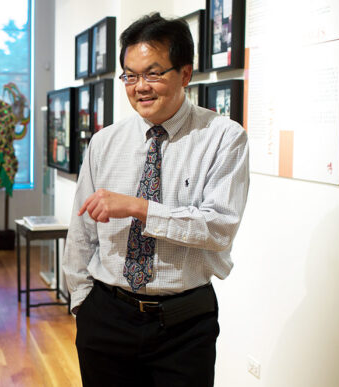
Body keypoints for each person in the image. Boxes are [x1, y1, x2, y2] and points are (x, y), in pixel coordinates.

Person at [62, 13, 249, 387]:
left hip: (184, 324)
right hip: (107, 316)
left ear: (185, 74)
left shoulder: (223, 137)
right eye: (130, 76)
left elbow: (218, 228)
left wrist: (138, 207)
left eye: (153, 73)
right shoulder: (104, 142)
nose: (140, 87)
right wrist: (82, 301)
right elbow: (81, 231)